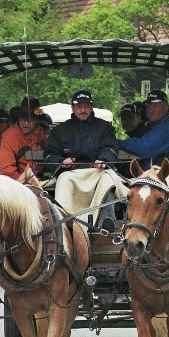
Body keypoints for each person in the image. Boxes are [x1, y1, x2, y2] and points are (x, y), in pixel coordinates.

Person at [44, 90, 124, 231]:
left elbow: (110, 148)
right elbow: (50, 154)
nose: (82, 110)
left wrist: (104, 159)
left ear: (91, 107)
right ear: (72, 108)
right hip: (70, 173)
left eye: (86, 106)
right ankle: (64, 221)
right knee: (63, 180)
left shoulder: (105, 127)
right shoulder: (60, 130)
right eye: (79, 106)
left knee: (108, 179)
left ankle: (107, 220)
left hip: (97, 172)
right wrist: (61, 162)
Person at [118, 90, 169, 184]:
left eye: (155, 106)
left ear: (166, 107)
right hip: (159, 178)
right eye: (149, 106)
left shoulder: (168, 127)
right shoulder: (159, 125)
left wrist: (117, 143)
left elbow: (143, 147)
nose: (150, 110)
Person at [0, 97, 47, 180]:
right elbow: (6, 170)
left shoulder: (42, 133)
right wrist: (26, 180)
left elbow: (48, 158)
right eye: (23, 119)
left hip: (42, 180)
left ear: (37, 120)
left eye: (30, 119)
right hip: (17, 183)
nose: (26, 123)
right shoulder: (8, 137)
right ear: (19, 118)